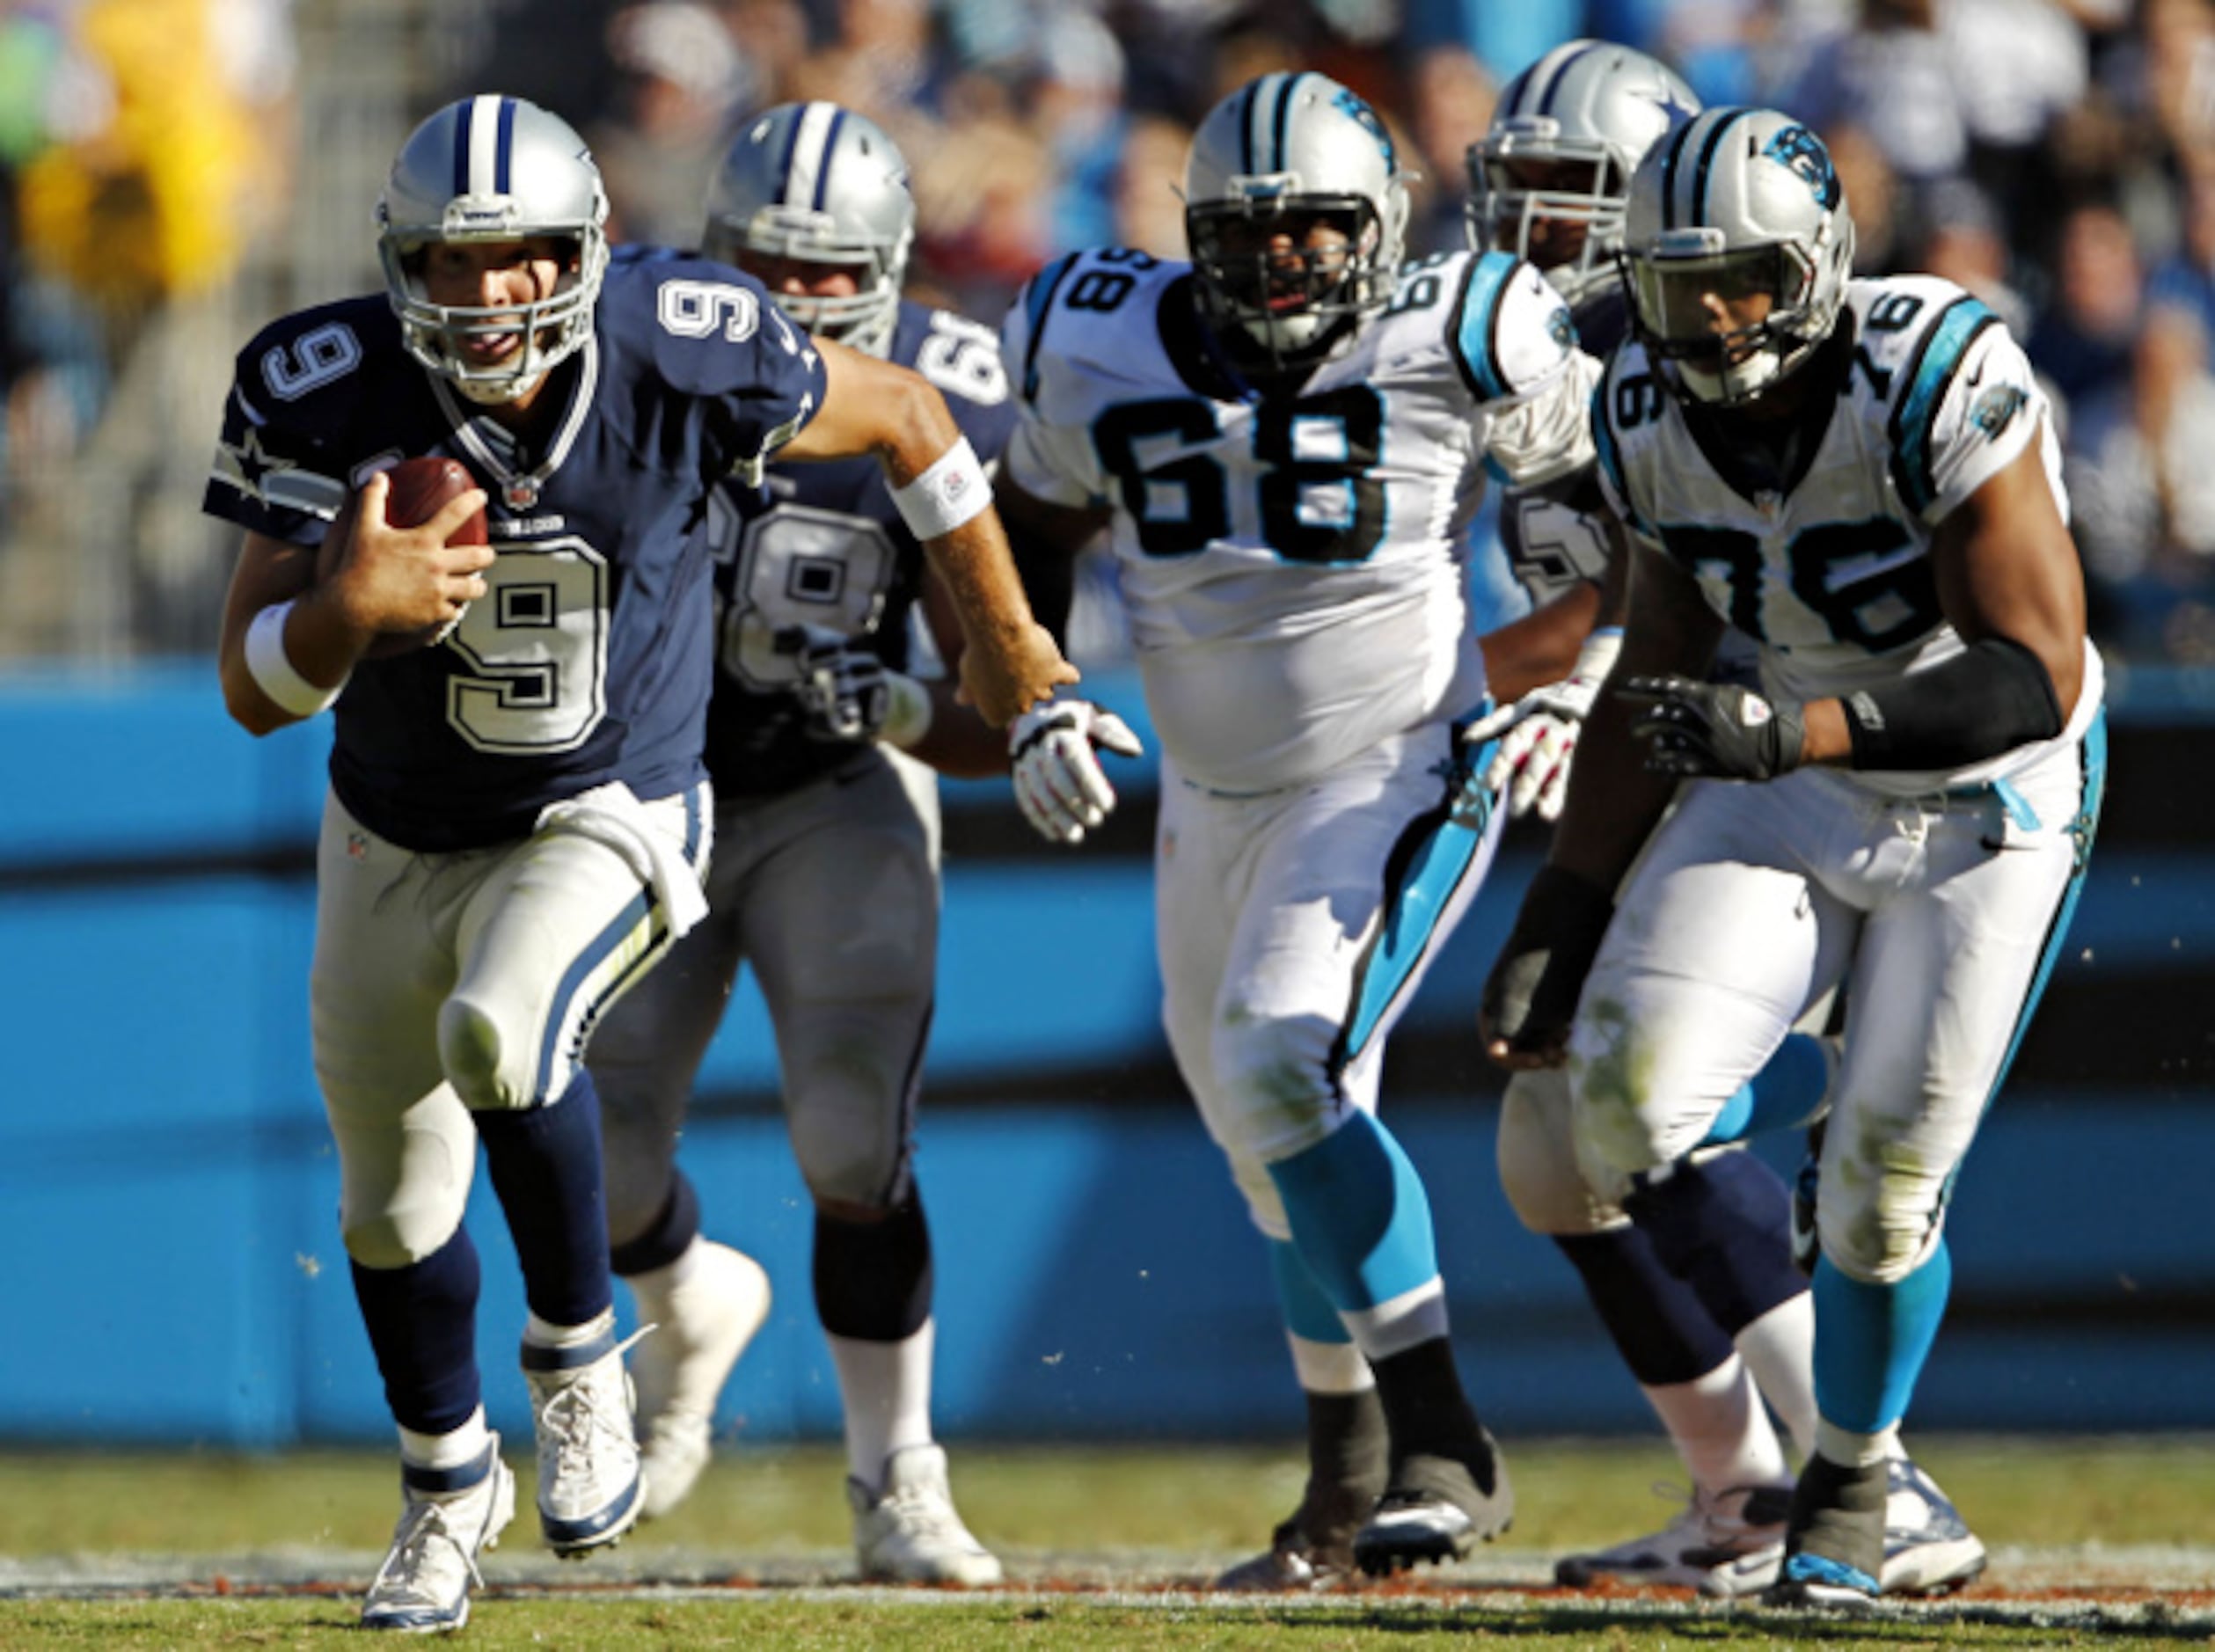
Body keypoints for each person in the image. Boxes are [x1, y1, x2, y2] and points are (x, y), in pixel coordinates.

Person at [207, 95, 1071, 1633]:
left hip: (609, 805)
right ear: (397, 260)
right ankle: (442, 1491)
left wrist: (1011, 652)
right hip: (389, 827)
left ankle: (583, 1361)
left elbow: (914, 423)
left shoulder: (687, 337)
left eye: (524, 258)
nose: (489, 298)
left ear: (587, 251)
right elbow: (253, 687)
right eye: (453, 263)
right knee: (390, 1208)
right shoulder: (321, 381)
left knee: (506, 1027)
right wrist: (349, 612)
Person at [1480, 107, 2102, 1607]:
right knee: (1617, 1103)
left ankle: (1853, 1475)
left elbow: (2037, 670)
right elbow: (1668, 651)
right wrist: (1567, 896)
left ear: (1818, 261)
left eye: (1743, 279)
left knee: (1882, 1195)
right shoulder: (1637, 400)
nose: (1713, 317)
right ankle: (1786, 1475)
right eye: (1678, 285)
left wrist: (1804, 726)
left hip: (1984, 796)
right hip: (1788, 764)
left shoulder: (1931, 367)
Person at [996, 71, 1606, 1583]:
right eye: (1248, 238)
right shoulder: (1086, 334)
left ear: (1383, 229)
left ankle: (1442, 1440)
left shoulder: (1463, 327)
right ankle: (1340, 1481)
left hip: (1393, 759)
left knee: (1283, 1059)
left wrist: (1579, 679)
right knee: (1261, 1139)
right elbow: (1012, 535)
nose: (1281, 268)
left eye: (1317, 235)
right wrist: (1035, 691)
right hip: (1208, 795)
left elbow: (1626, 526)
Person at [585, 101, 1127, 1584]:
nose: (798, 298)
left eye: (831, 271)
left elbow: (994, 675)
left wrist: (986, 712)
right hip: (649, 800)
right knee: (599, 1156)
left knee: (846, 1133)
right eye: (767, 262)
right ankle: (691, 1304)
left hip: (836, 790)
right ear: (713, 253)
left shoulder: (954, 386)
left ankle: (897, 1476)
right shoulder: (631, 346)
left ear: (890, 268)